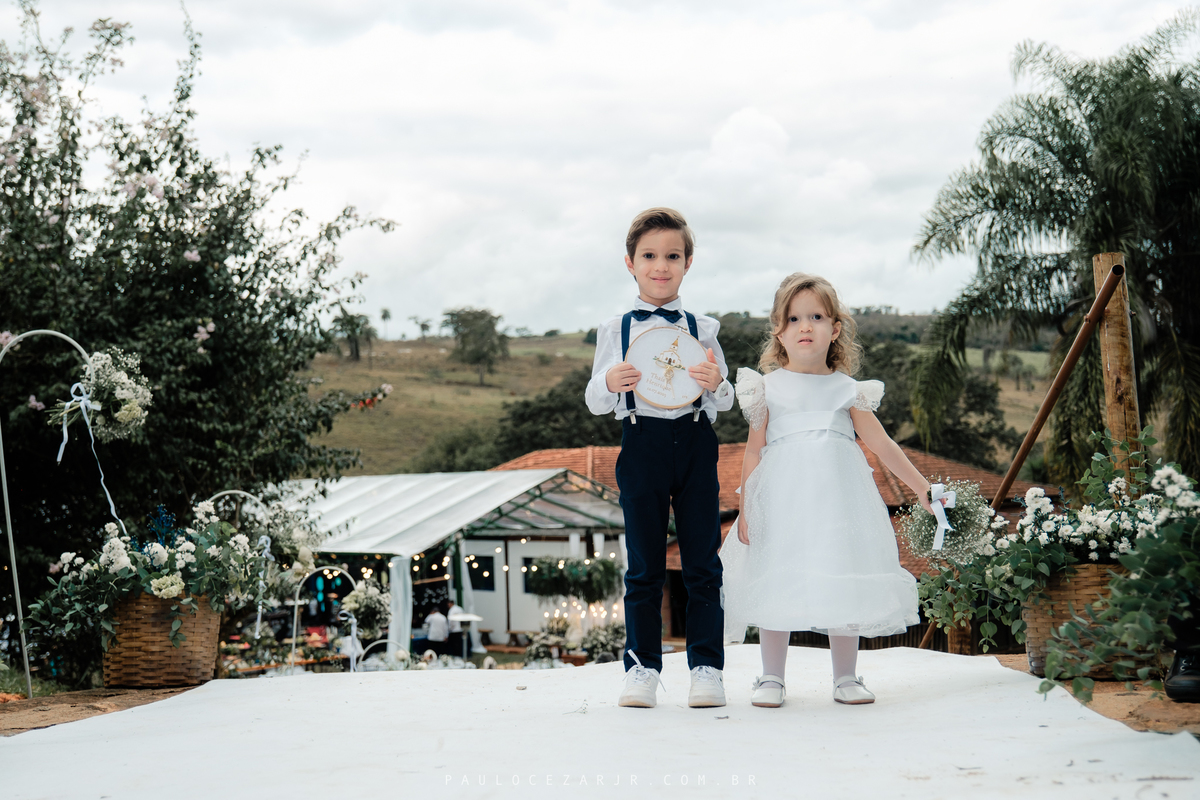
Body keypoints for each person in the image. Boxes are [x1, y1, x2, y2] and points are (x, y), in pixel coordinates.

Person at [721, 272, 942, 708]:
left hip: (839, 502)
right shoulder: (767, 388)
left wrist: (923, 488)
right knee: (776, 575)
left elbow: (883, 445)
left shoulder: (847, 390)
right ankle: (771, 677)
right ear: (779, 331)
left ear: (835, 328)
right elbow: (753, 451)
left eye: (817, 317)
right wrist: (747, 508)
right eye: (794, 318)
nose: (805, 326)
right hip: (782, 501)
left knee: (845, 572)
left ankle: (845, 677)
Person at [586, 207, 735, 709]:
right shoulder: (615, 329)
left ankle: (707, 669)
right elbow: (594, 399)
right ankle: (642, 670)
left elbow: (723, 401)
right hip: (640, 443)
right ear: (630, 262)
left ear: (688, 262)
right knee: (644, 567)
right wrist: (610, 381)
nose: (661, 266)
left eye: (672, 256)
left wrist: (718, 384)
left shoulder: (703, 328)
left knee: (703, 564)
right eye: (649, 256)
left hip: (695, 443)